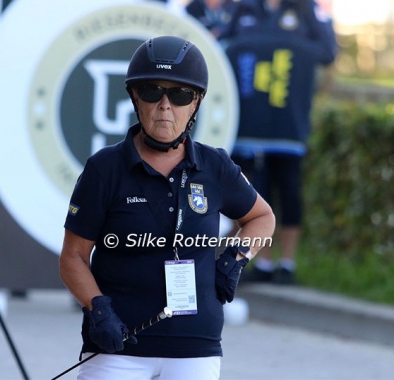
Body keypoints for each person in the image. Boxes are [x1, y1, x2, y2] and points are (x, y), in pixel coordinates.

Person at [59, 36, 275, 379]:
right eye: (152, 92)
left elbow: (262, 217)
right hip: (118, 345)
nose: (164, 105)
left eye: (179, 95)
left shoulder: (215, 166)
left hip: (196, 345)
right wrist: (97, 308)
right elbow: (73, 257)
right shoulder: (104, 169)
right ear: (135, 98)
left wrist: (236, 257)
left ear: (195, 104)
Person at [224, 0, 338, 284]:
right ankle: (258, 262)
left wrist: (283, 48)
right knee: (253, 193)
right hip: (248, 125)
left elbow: (327, 52)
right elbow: (220, 43)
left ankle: (287, 263)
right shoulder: (244, 8)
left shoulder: (305, 9)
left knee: (289, 192)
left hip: (289, 126)